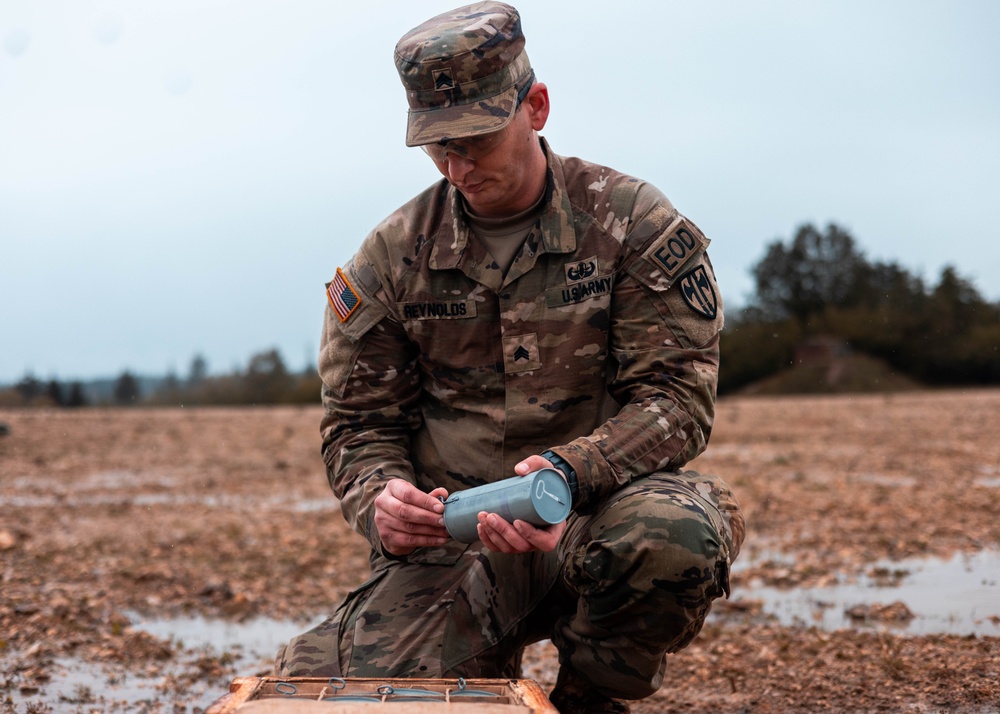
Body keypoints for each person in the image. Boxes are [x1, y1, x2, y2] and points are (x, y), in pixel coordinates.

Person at [274, 3, 745, 712]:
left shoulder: (631, 224)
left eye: (476, 140)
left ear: (537, 107)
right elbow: (358, 425)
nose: (458, 166)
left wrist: (570, 472)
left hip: (597, 517)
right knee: (317, 690)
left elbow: (677, 400)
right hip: (454, 547)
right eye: (438, 148)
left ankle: (591, 700)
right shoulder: (390, 260)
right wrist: (380, 501)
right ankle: (480, 670)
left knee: (671, 537)